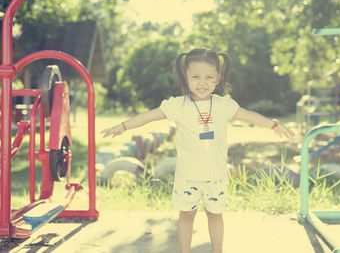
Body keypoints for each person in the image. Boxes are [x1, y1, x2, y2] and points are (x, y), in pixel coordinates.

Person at [101, 47, 295, 253]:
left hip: (215, 176)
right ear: (186, 77)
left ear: (218, 78)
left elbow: (248, 115)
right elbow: (149, 115)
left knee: (215, 215)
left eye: (209, 77)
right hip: (187, 176)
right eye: (196, 76)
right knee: (186, 216)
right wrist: (123, 126)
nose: (202, 82)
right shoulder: (178, 106)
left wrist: (273, 125)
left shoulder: (223, 105)